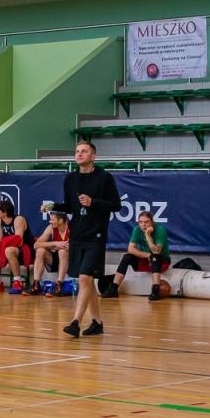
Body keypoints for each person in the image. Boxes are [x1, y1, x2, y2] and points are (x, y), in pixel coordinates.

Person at [61, 141, 118, 338]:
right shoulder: (70, 179)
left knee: (85, 277)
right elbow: (70, 207)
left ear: (93, 156)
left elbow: (116, 205)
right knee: (87, 280)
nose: (79, 154)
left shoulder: (104, 178)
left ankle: (75, 322)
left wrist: (93, 202)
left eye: (84, 151)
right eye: (77, 151)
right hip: (77, 234)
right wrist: (53, 207)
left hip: (96, 235)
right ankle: (97, 322)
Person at [110, 210, 169, 300]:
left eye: (146, 222)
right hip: (146, 260)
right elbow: (130, 249)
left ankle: (155, 290)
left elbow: (157, 251)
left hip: (162, 262)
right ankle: (113, 288)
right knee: (127, 256)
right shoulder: (137, 229)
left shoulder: (160, 230)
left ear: (152, 222)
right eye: (141, 222)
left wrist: (147, 235)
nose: (143, 225)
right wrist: (147, 255)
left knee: (154, 257)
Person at [27, 207, 71, 295]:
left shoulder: (72, 228)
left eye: (52, 220)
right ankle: (36, 284)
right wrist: (55, 243)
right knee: (40, 250)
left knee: (63, 251)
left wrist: (60, 246)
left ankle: (59, 285)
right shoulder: (51, 228)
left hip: (70, 260)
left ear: (61, 221)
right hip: (55, 259)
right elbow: (36, 245)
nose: (50, 222)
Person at [0, 198, 33, 292]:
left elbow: (19, 240)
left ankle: (17, 282)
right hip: (10, 247)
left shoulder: (18, 219)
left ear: (5, 211)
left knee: (9, 250)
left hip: (26, 248)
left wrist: (4, 243)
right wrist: (3, 244)